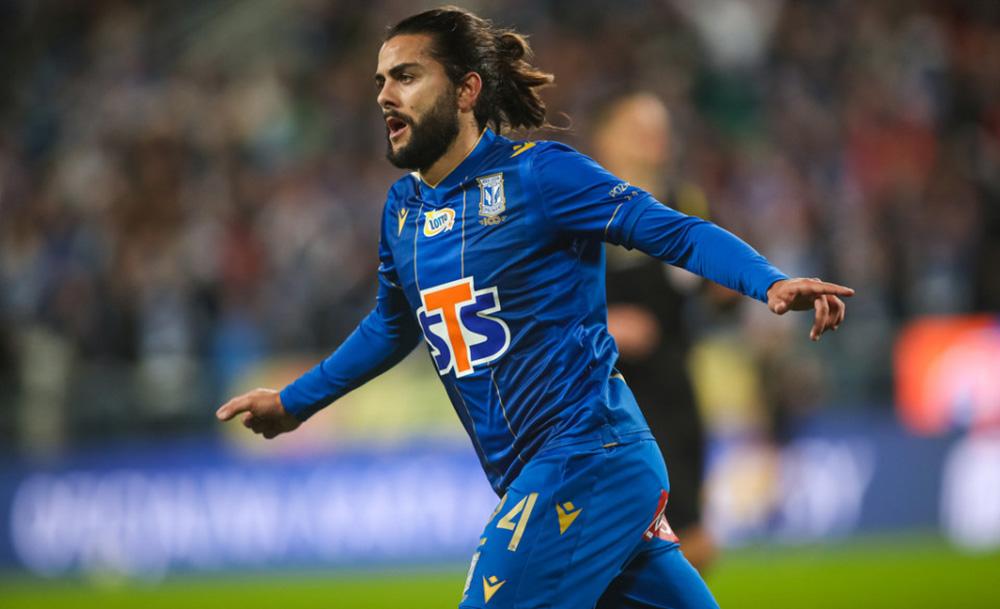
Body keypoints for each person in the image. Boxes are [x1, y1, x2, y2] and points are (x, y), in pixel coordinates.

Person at [216, 7, 853, 608]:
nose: (385, 94)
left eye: (406, 76)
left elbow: (673, 230)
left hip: (588, 456)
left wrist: (767, 282)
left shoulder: (540, 176)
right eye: (380, 80)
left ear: (466, 90)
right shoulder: (402, 212)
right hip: (549, 473)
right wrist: (294, 402)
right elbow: (390, 327)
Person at [594, 92, 721, 573]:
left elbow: (706, 288)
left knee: (694, 539)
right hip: (603, 396)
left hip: (672, 389)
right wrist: (606, 324)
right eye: (639, 129)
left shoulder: (683, 203)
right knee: (616, 544)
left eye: (660, 130)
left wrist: (731, 289)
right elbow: (536, 299)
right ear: (606, 138)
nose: (655, 140)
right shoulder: (578, 212)